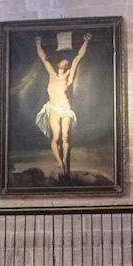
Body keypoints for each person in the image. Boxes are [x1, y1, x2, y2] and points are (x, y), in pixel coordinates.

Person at [35, 32, 92, 181]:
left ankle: (64, 162)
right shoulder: (52, 74)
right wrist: (38, 43)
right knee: (56, 136)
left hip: (66, 109)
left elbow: (78, 57)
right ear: (58, 63)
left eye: (67, 61)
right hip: (54, 108)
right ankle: (60, 163)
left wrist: (85, 41)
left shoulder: (69, 75)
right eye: (63, 60)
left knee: (65, 137)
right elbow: (43, 58)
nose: (66, 61)